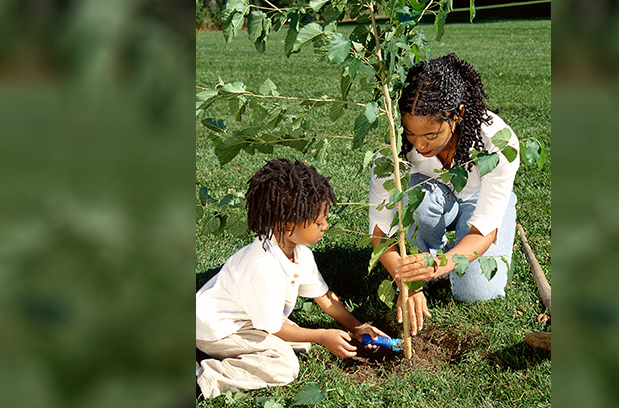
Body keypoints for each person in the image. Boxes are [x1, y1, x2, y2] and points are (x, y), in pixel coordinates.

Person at [197, 158, 389, 399]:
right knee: (284, 365)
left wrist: (357, 326)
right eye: (319, 222)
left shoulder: (299, 253)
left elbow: (324, 297)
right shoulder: (262, 267)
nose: (325, 226)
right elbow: (275, 328)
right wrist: (321, 335)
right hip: (217, 330)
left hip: (249, 321)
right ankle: (203, 378)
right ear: (288, 226)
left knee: (301, 341)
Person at [369, 53, 520, 335]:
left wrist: (438, 266)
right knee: (418, 196)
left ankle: (505, 212)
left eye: (431, 135)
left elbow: (484, 230)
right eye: (411, 133)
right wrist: (406, 281)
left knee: (476, 292)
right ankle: (421, 264)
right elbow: (380, 231)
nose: (419, 144)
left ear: (458, 114)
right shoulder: (393, 151)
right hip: (432, 199)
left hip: (478, 203)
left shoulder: (498, 142)